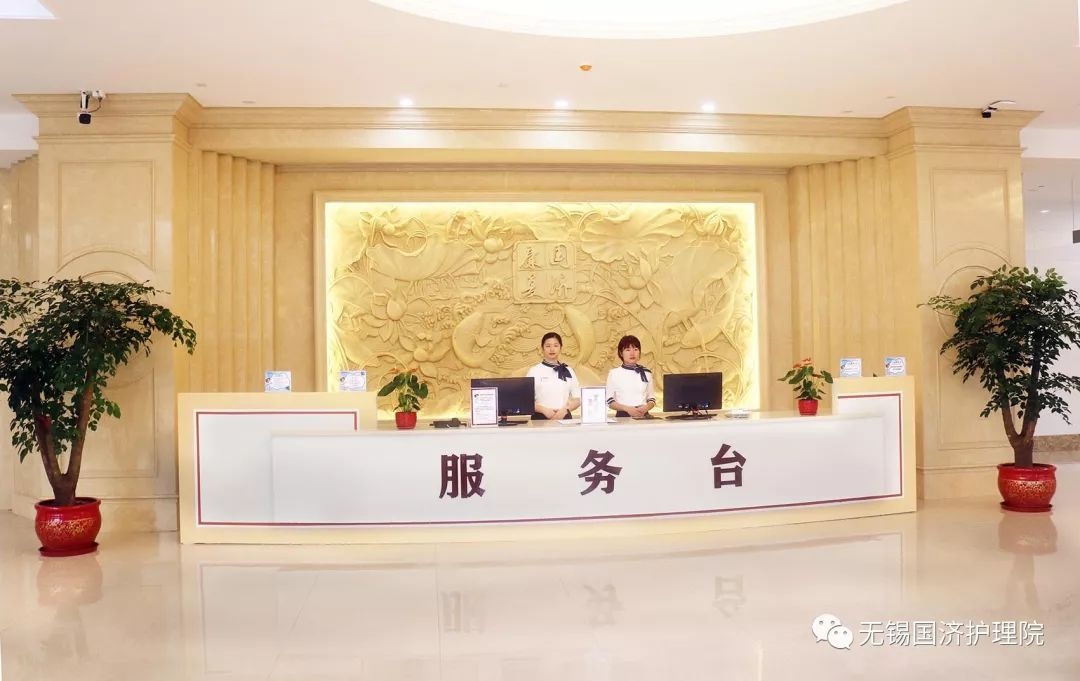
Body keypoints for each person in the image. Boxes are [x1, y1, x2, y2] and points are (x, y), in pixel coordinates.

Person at [526, 332, 581, 420]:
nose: (552, 349)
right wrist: (544, 410)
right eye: (548, 346)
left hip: (564, 418)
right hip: (540, 418)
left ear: (560, 348)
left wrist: (565, 410)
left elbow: (578, 398)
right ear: (542, 348)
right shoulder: (534, 371)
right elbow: (525, 400)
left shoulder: (568, 370)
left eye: (556, 345)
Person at [606, 335, 656, 418]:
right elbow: (609, 401)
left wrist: (646, 408)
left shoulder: (647, 373)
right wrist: (627, 409)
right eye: (628, 350)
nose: (632, 353)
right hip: (623, 417)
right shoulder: (614, 373)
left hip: (643, 416)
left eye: (635, 349)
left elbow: (651, 399)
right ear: (621, 353)